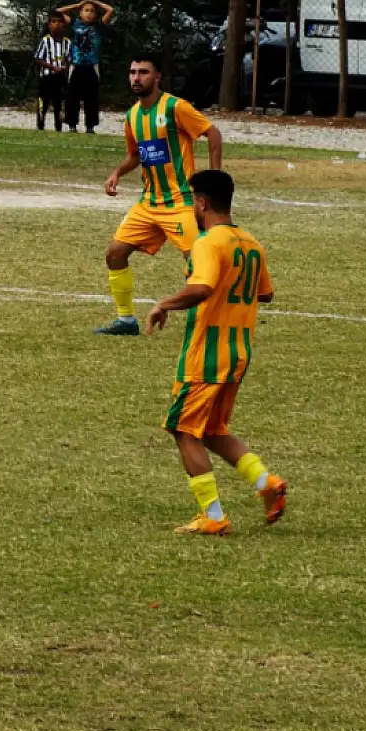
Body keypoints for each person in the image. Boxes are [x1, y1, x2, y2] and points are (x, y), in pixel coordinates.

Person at [143, 169, 288, 536]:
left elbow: (203, 287)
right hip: (239, 352)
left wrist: (164, 304)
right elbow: (266, 293)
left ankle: (213, 515)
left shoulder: (208, 243)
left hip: (207, 354)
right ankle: (265, 483)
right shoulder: (251, 243)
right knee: (211, 429)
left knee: (182, 429)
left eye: (194, 200)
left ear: (202, 203)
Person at [96, 53, 224, 336]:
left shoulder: (176, 108)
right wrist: (117, 173)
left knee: (199, 262)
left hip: (181, 203)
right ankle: (126, 321)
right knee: (115, 254)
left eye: (143, 72)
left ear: (156, 77)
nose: (136, 78)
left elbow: (213, 134)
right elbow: (135, 155)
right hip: (149, 202)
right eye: (132, 72)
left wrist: (214, 180)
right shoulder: (131, 116)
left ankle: (211, 321)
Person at [55, 0, 114, 133]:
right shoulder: (75, 24)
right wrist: (77, 5)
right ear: (80, 13)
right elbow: (58, 12)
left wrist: (96, 2)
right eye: (86, 10)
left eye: (92, 11)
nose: (89, 13)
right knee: (72, 96)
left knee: (91, 98)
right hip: (76, 65)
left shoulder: (99, 26)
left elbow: (110, 10)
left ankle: (90, 126)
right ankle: (72, 124)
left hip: (92, 66)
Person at [33, 12, 71, 132]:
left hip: (60, 77)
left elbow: (70, 59)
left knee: (58, 102)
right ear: (49, 25)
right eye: (54, 22)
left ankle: (58, 126)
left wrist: (66, 67)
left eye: (59, 22)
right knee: (43, 100)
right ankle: (41, 122)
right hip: (47, 76)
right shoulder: (45, 41)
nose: (57, 24)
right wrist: (51, 67)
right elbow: (38, 58)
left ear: (63, 25)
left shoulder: (67, 43)